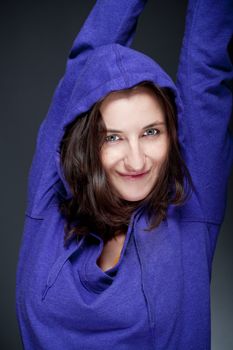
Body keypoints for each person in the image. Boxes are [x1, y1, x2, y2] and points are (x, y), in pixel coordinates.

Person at [16, 0, 233, 349]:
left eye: (151, 132)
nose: (136, 160)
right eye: (113, 137)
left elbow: (206, 67)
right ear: (87, 144)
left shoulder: (191, 203)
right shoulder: (49, 202)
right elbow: (86, 63)